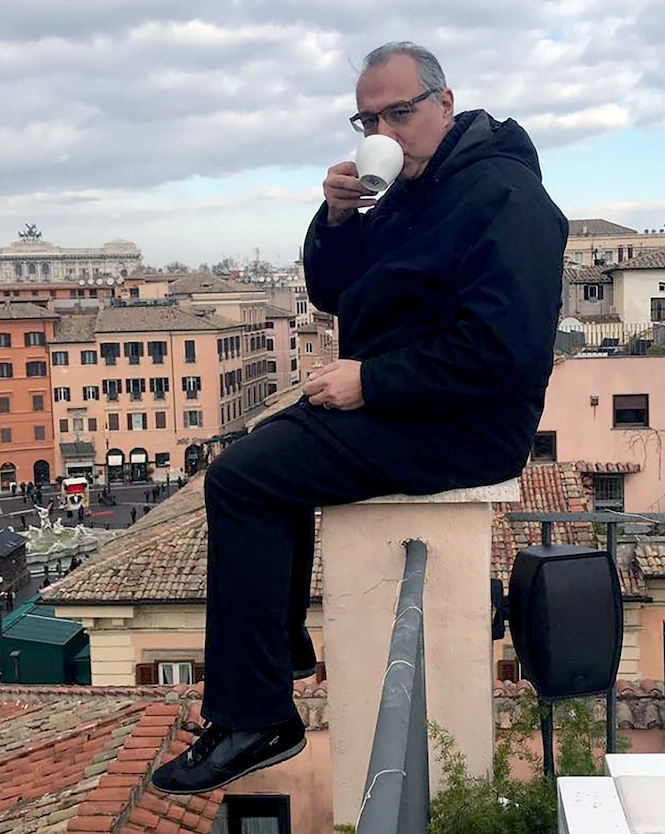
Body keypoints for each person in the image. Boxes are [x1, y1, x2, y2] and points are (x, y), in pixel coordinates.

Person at [150, 42, 566, 795]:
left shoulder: (506, 198)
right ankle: (280, 653)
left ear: (445, 102)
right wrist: (338, 217)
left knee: (242, 480)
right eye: (369, 117)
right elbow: (335, 294)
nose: (385, 129)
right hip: (411, 407)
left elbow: (503, 352)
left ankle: (256, 717)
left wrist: (373, 381)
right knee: (261, 456)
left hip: (463, 428)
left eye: (399, 112)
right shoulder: (412, 189)